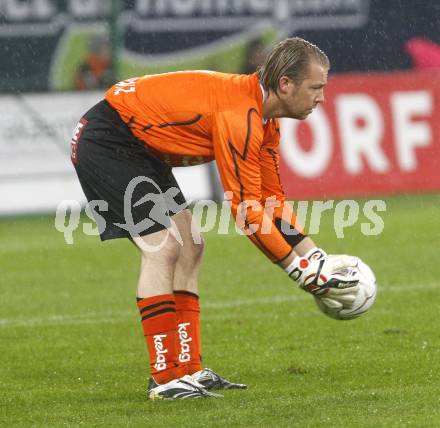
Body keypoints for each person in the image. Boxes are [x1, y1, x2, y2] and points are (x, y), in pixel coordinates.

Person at [70, 37, 360, 400]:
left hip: (135, 144)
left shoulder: (265, 121)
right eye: (316, 88)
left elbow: (271, 201)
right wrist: (298, 270)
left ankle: (188, 369)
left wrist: (316, 257)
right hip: (109, 141)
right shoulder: (242, 116)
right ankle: (165, 378)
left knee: (190, 245)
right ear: (285, 84)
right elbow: (245, 211)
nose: (322, 98)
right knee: (163, 249)